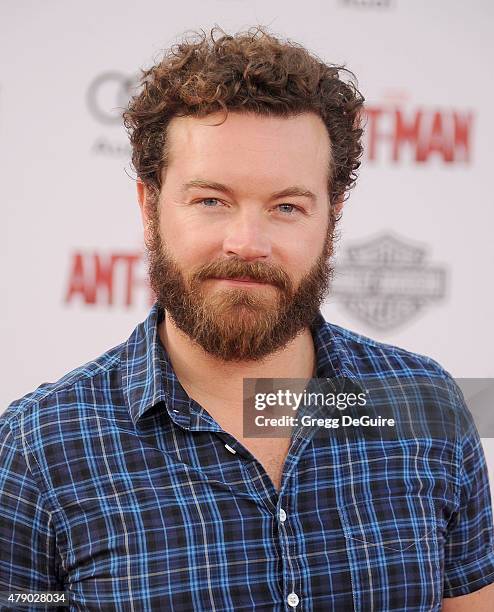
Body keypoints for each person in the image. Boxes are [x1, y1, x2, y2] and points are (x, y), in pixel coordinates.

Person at [1, 26, 493, 612]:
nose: (247, 242)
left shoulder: (425, 408)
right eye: (211, 200)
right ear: (148, 205)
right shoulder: (38, 448)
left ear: (331, 215)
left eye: (287, 207)